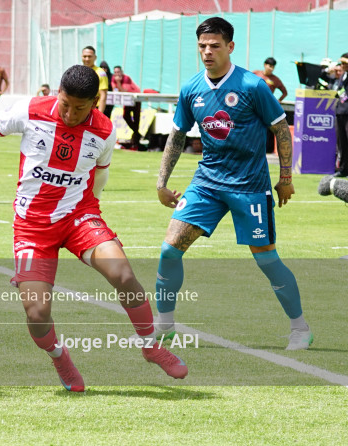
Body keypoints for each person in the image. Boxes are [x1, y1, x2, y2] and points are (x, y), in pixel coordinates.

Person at [0, 65, 189, 393]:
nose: (70, 114)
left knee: (123, 273)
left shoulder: (103, 130)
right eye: (65, 104)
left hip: (79, 216)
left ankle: (150, 345)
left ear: (95, 103)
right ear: (57, 93)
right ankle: (59, 357)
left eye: (79, 108)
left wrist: (97, 221)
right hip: (32, 226)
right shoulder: (31, 110)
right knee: (38, 313)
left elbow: (100, 176)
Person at [155, 17, 312, 351]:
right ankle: (164, 324)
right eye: (202, 46)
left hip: (250, 186)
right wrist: (161, 182)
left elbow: (281, 130)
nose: (207, 52)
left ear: (230, 47)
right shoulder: (191, 89)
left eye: (214, 45)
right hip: (207, 183)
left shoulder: (253, 86)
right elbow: (177, 135)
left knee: (267, 260)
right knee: (169, 250)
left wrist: (285, 179)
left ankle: (300, 328)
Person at [253, 57, 289, 154]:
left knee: (267, 128)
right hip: (253, 105)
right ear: (265, 65)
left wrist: (278, 100)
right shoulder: (256, 74)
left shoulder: (275, 79)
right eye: (269, 66)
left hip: (266, 107)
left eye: (273, 66)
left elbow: (285, 92)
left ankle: (267, 150)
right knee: (253, 126)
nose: (271, 68)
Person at [112, 65, 142, 148]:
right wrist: (116, 84)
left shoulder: (126, 78)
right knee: (126, 116)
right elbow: (114, 89)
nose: (117, 74)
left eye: (118, 72)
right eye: (115, 72)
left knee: (136, 119)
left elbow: (124, 90)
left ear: (121, 72)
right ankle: (137, 134)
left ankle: (136, 139)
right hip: (127, 100)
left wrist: (118, 82)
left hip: (135, 99)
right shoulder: (113, 78)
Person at [331, 54, 348, 177]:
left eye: (344, 63)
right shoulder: (343, 75)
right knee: (342, 142)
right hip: (340, 111)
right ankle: (343, 169)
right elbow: (339, 91)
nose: (342, 65)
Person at [81, 46, 109, 116]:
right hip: (80, 107)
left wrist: (99, 115)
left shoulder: (100, 72)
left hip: (94, 108)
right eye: (85, 56)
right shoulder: (78, 71)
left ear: (95, 57)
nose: (87, 59)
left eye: (89, 56)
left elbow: (103, 95)